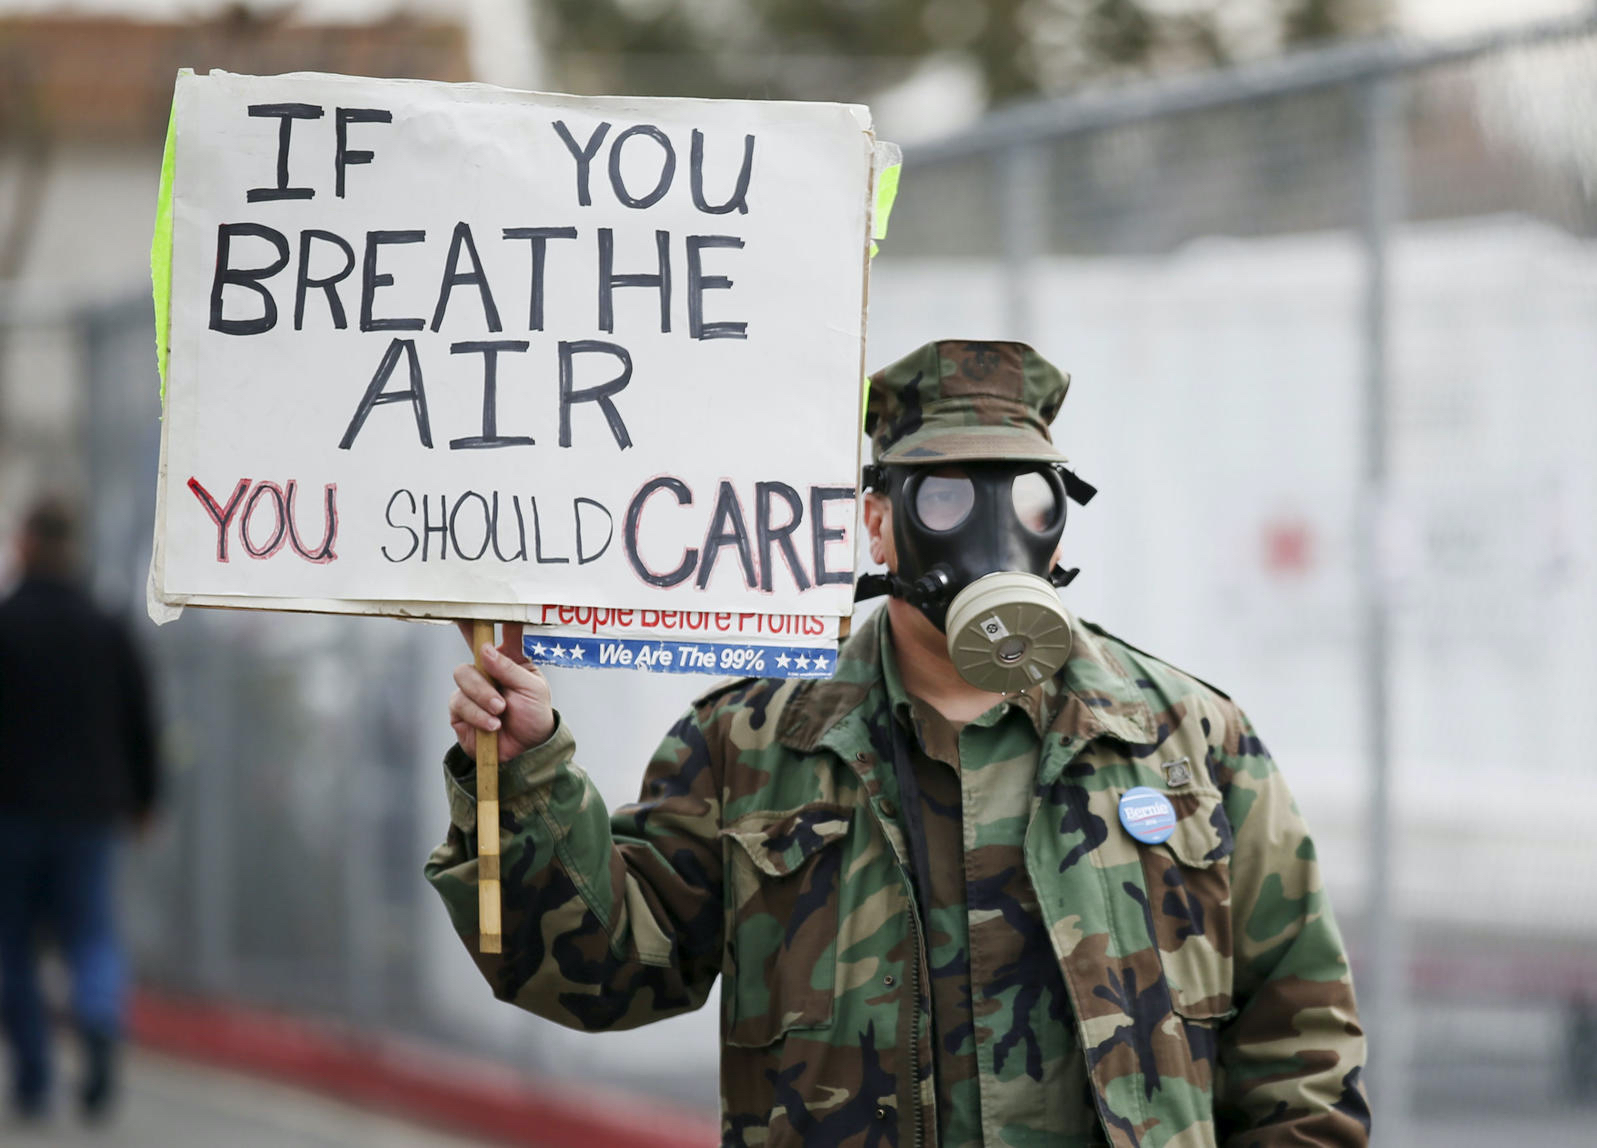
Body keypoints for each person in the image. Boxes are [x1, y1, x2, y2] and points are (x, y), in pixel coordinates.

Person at [427, 340, 1370, 1147]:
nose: (996, 534)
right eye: (947, 499)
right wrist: (527, 775)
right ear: (877, 521)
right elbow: (602, 975)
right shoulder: (753, 740)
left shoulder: (1188, 739)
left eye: (1030, 499)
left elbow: (1300, 1046)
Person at [0, 498, 160, 1122]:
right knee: (91, 933)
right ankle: (96, 1021)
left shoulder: (6, 624)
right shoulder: (106, 627)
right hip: (92, 813)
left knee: (14, 945)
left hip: (11, 812)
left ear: (27, 544)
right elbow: (139, 722)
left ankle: (35, 1077)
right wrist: (145, 800)